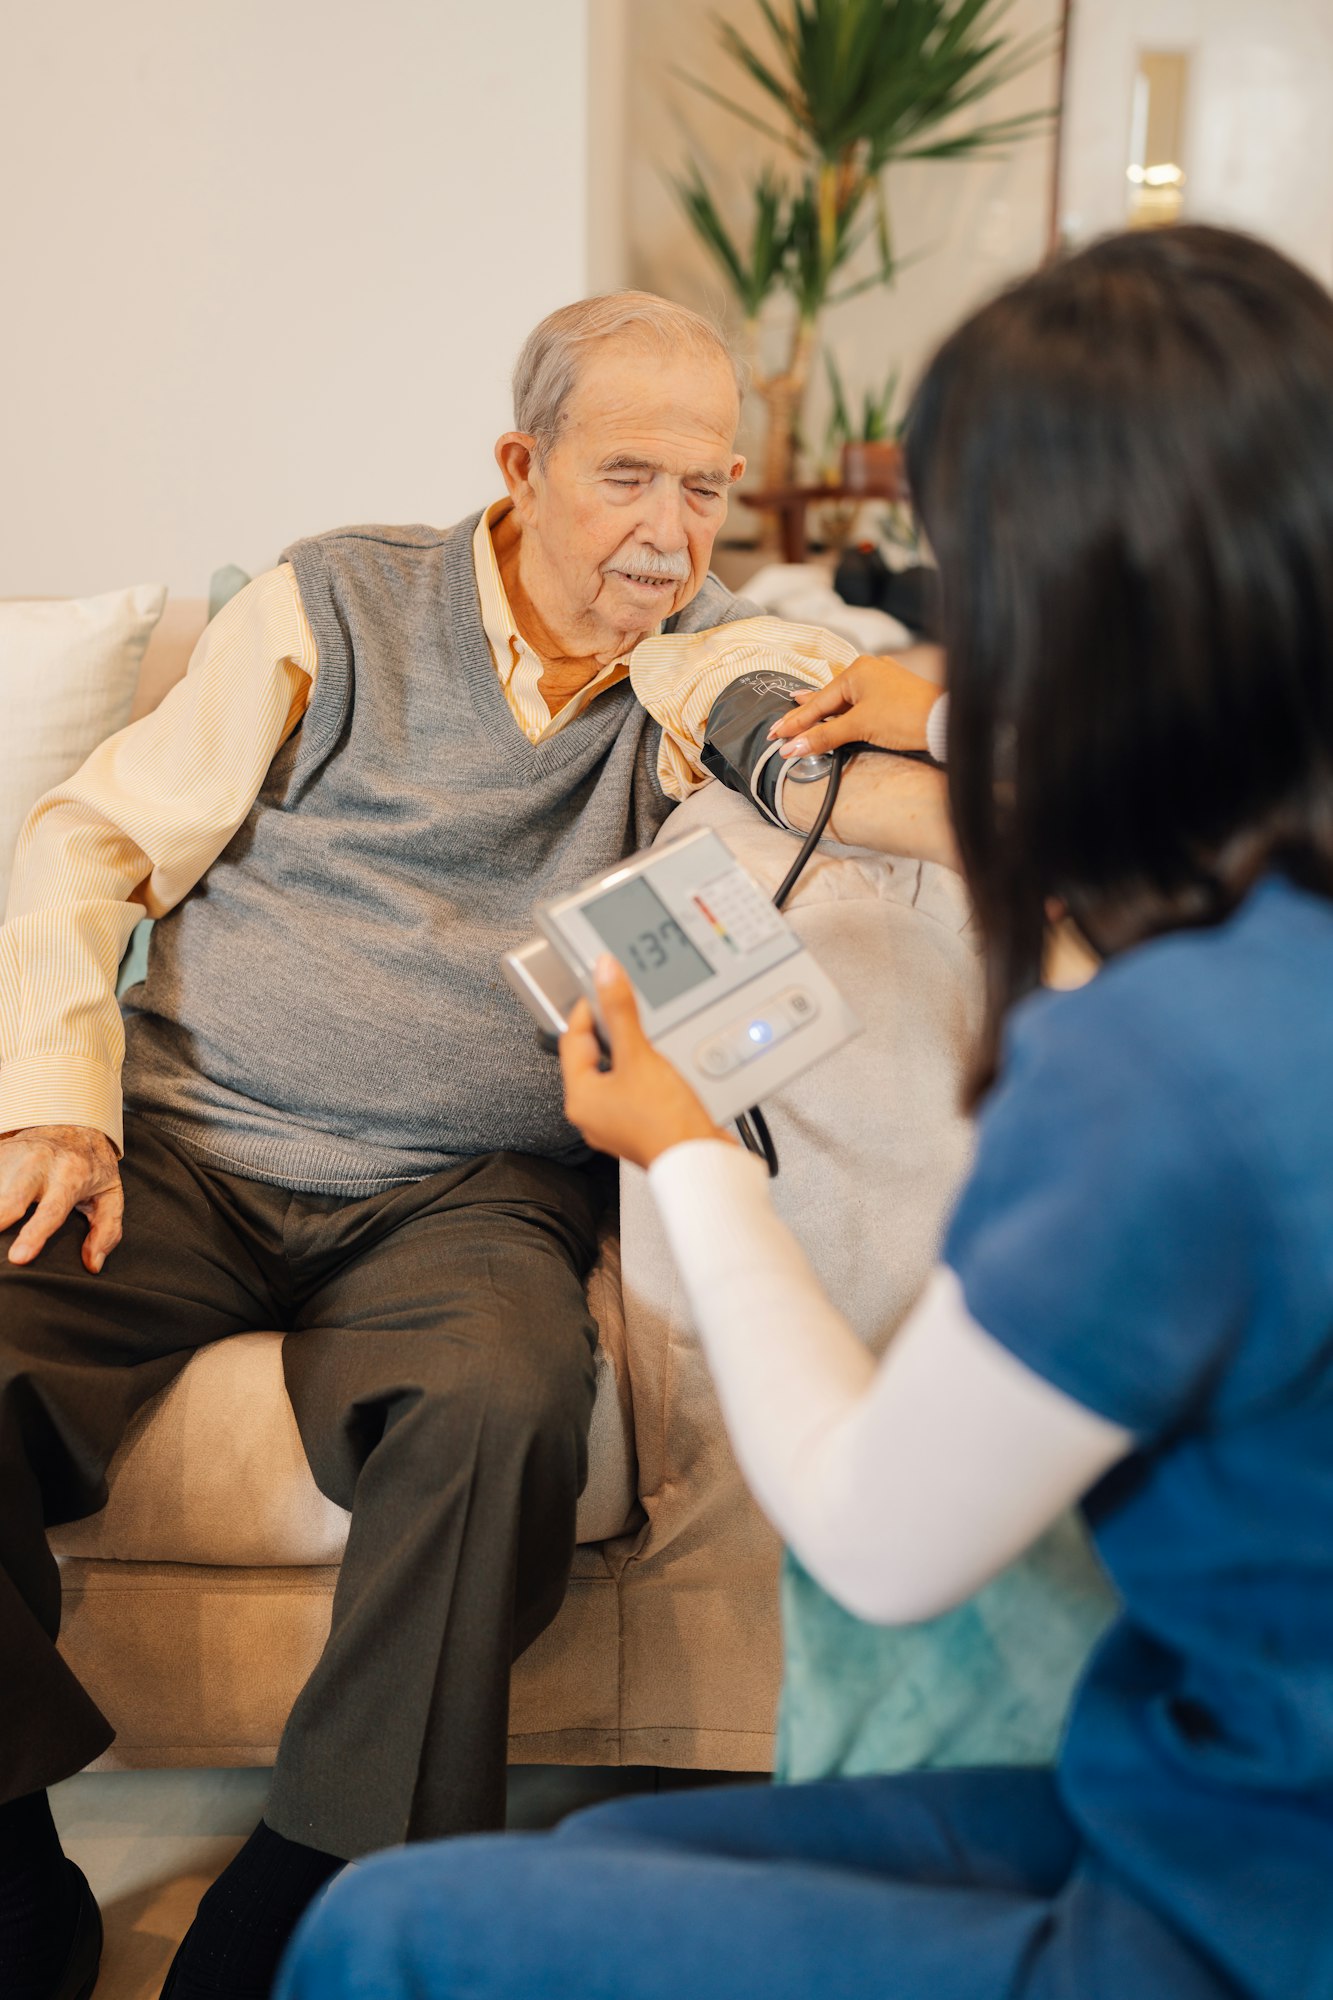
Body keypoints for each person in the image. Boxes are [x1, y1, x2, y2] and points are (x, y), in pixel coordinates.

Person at [277, 225, 1333, 2000]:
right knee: (608, 1848)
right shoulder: (1262, 946)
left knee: (389, 1930)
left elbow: (877, 1533)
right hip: (1219, 1781)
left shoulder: (1165, 1066)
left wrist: (685, 1152)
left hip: (1243, 1909)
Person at [0, 291, 952, 2000]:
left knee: (503, 1407)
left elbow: (822, 745)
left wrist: (954, 733)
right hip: (184, 1143)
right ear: (520, 466)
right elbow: (88, 847)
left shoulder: (700, 662)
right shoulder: (334, 600)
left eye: (708, 487)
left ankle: (313, 1889)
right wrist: (54, 1097)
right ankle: (3, 1859)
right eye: (626, 478)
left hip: (465, 1195)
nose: (670, 534)